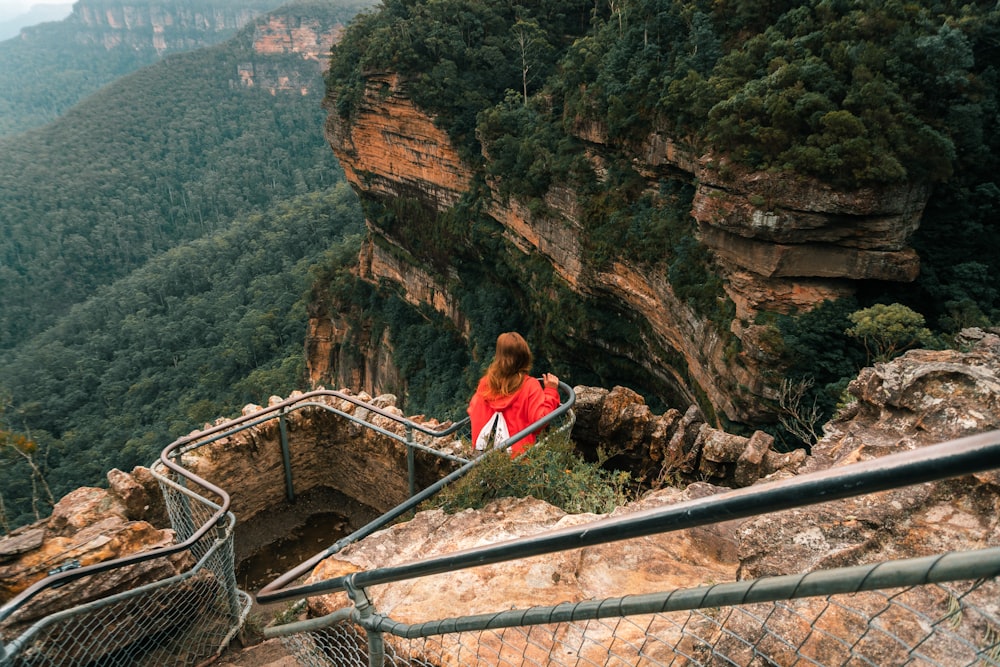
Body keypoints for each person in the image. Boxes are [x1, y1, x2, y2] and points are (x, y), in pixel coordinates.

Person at [467, 332, 561, 457]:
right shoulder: (530, 386)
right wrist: (550, 391)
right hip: (516, 460)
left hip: (482, 457)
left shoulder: (486, 383)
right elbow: (540, 421)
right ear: (525, 357)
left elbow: (473, 410)